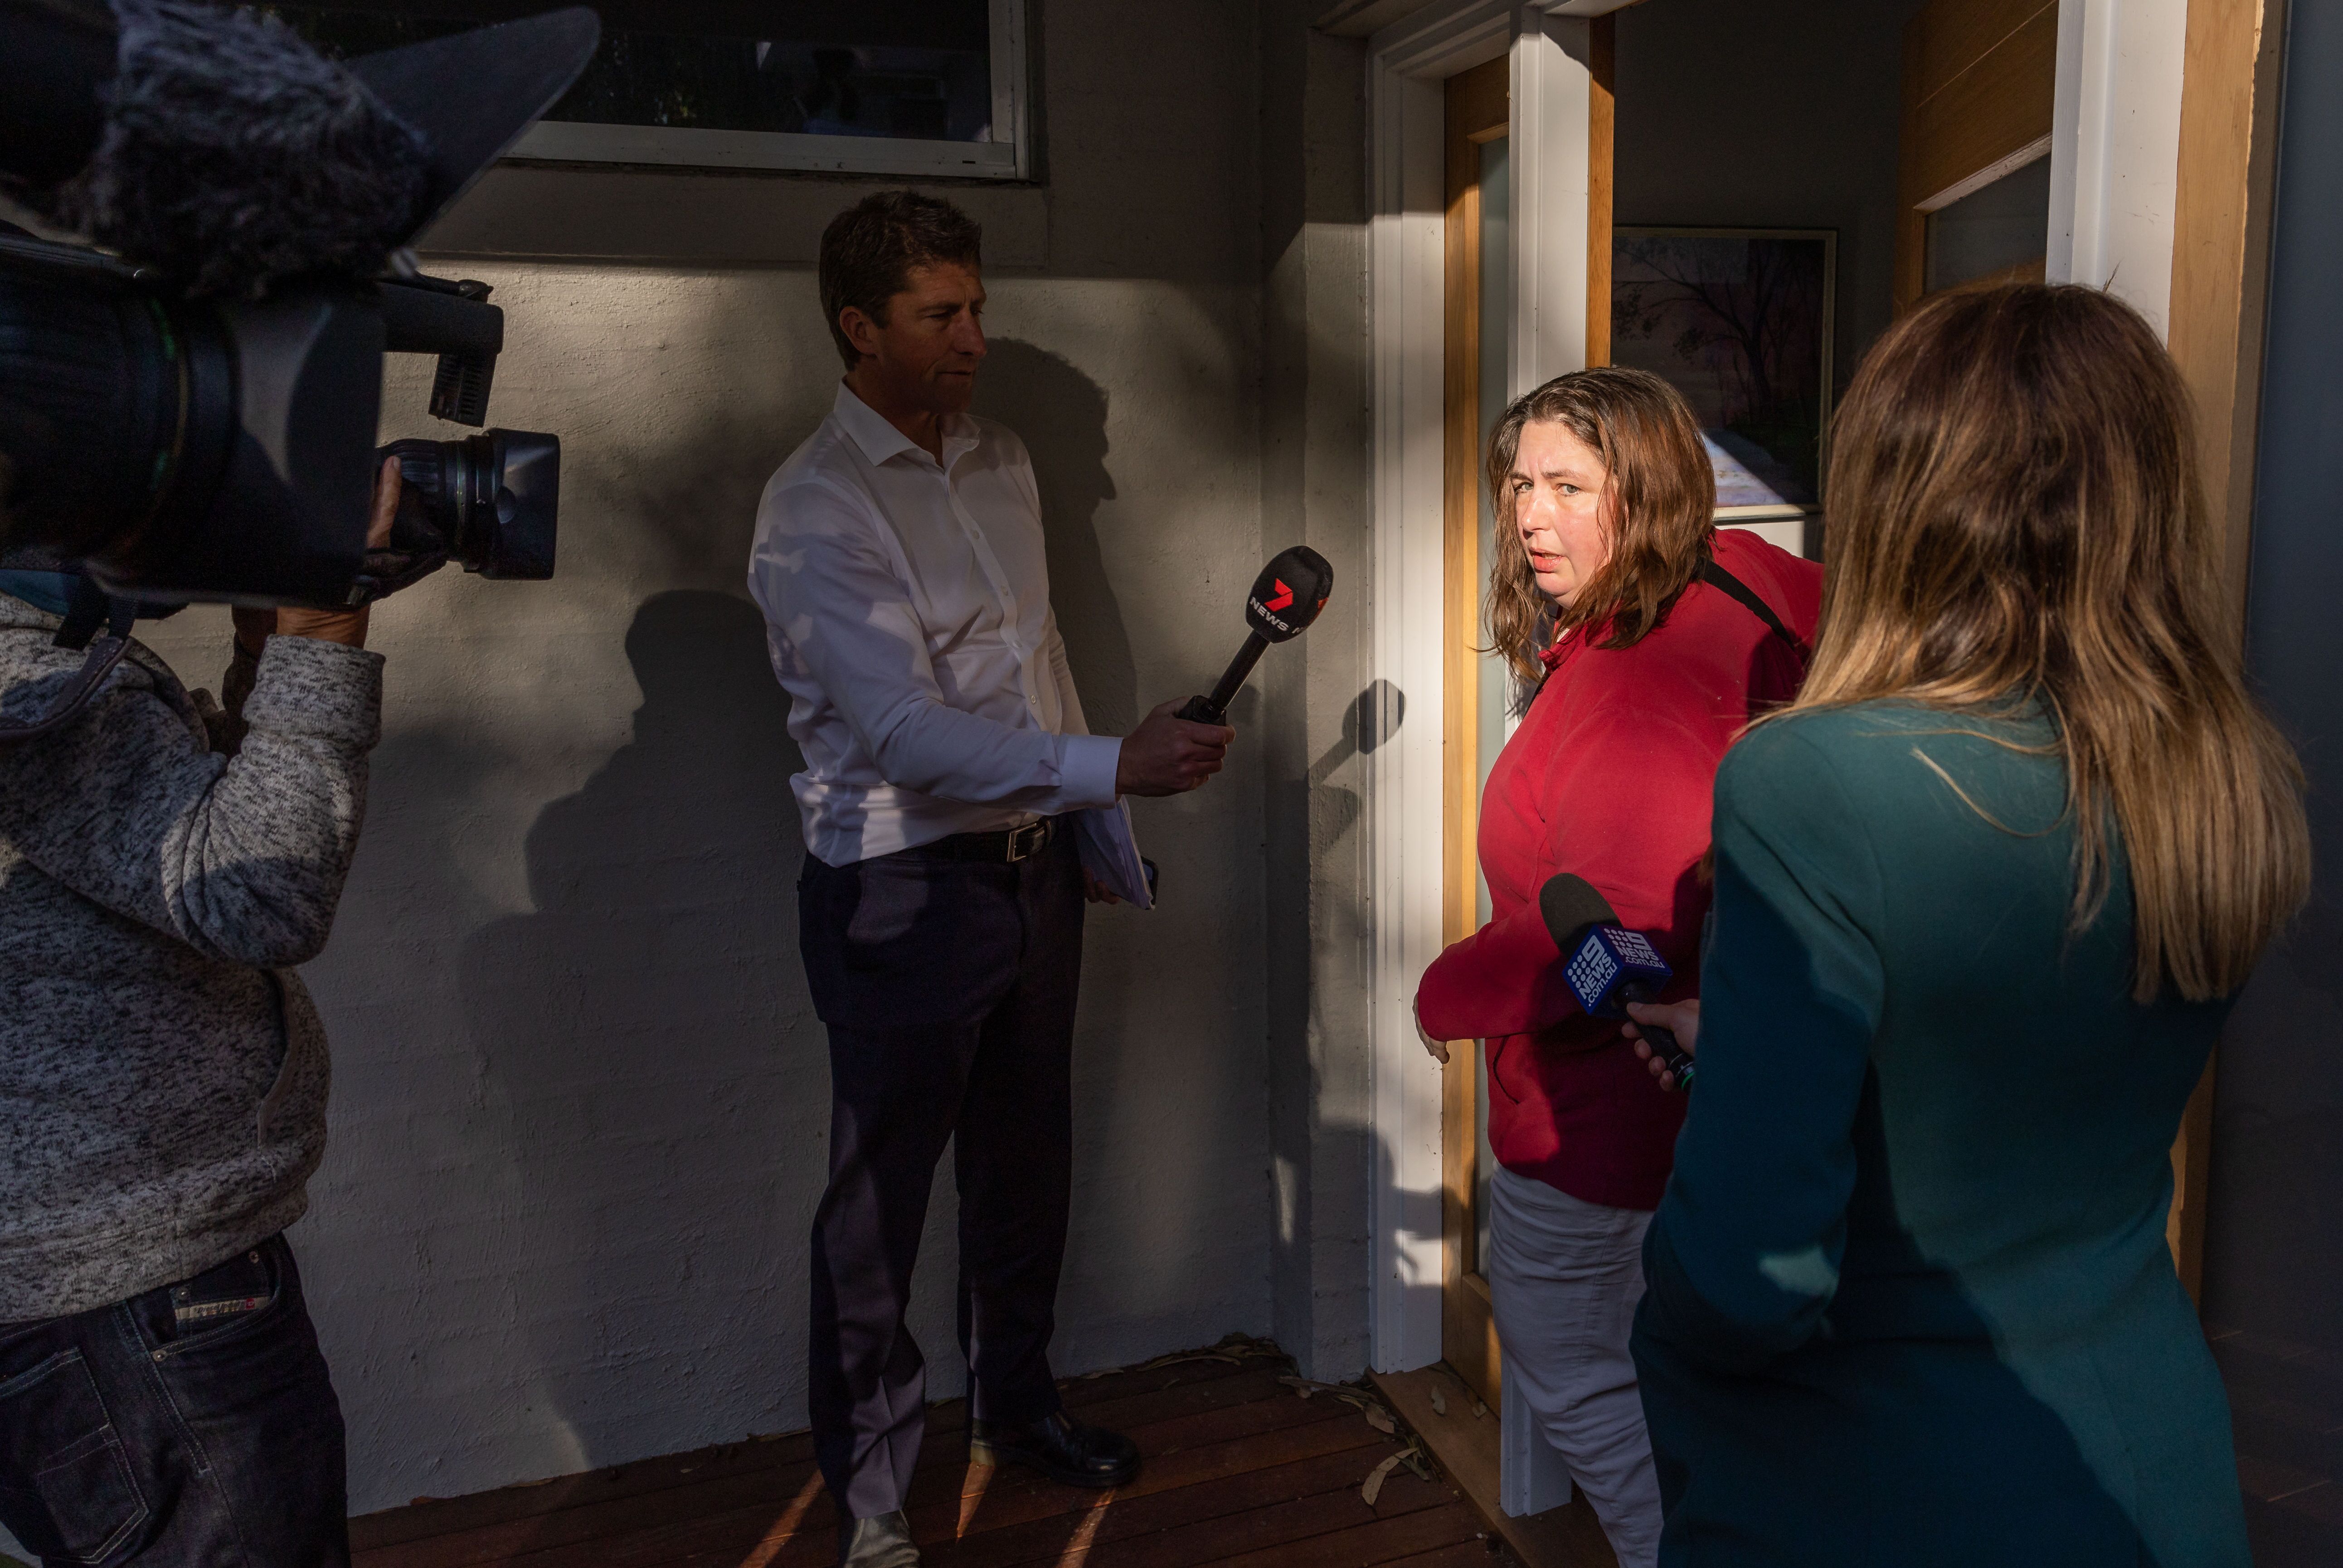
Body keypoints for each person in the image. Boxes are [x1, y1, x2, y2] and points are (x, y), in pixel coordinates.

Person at [1620, 283, 2306, 1566]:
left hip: (1891, 1475)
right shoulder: (2220, 781)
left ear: (1897, 502)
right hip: (2149, 1455)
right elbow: (2027, 1058)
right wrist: (1754, 1048)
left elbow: (1746, 1282)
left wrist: (1674, 1272)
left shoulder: (1812, 779)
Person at [746, 190, 1234, 1568]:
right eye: (939, 314)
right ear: (859, 327)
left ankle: (1016, 1410)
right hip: (901, 893)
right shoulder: (815, 507)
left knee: (1026, 1171)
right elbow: (903, 735)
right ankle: (873, 1497)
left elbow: (1039, 663)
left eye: (977, 307)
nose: (972, 336)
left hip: (1033, 878)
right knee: (879, 1206)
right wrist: (1113, 765)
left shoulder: (1002, 457)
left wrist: (1092, 829)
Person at [1411, 368, 1822, 1567]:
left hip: (1602, 1120)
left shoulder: (1638, 684)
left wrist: (1451, 990)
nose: (1531, 516)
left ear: (1650, 492)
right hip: (1718, 1092)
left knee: (1576, 1366)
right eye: (1519, 484)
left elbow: (1617, 943)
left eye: (1570, 487)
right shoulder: (1743, 578)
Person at [0, 463, 402, 1566]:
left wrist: (271, 655)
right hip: (133, 1304)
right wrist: (324, 634)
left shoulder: (48, 663)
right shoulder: (25, 678)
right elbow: (258, 893)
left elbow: (173, 844)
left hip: (118, 1282)